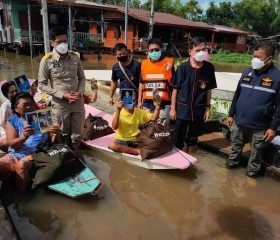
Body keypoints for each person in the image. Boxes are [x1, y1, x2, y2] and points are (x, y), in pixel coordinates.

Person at [226, 43, 280, 178]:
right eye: (253, 56)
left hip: (260, 127)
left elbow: (279, 107)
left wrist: (273, 128)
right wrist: (231, 114)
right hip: (239, 122)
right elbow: (237, 94)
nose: (254, 60)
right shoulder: (246, 72)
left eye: (258, 57)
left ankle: (251, 178)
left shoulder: (277, 78)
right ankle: (229, 174)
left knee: (255, 157)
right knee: (234, 151)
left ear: (269, 59)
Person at [38, 26, 85, 150]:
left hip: (78, 102)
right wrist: (63, 96)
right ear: (52, 43)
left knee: (78, 134)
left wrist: (80, 93)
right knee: (62, 133)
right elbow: (41, 84)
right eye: (59, 42)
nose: (63, 44)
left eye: (65, 41)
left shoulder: (75, 57)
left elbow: (82, 78)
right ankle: (64, 156)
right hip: (60, 104)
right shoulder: (46, 60)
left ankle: (76, 156)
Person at [0, 92, 59, 191]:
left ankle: (23, 196)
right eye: (25, 105)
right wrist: (24, 137)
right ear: (16, 108)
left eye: (31, 104)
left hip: (38, 154)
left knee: (21, 165)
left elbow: (53, 143)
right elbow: (12, 145)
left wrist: (55, 135)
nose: (29, 107)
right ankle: (12, 183)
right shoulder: (12, 121)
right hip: (16, 153)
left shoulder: (43, 117)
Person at [170, 36, 217, 154]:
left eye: (203, 49)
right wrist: (172, 109)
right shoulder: (183, 68)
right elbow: (175, 89)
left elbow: (208, 90)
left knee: (193, 137)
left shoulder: (209, 68)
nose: (201, 53)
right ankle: (177, 155)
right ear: (190, 52)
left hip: (199, 108)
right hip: (182, 108)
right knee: (178, 136)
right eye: (197, 50)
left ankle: (189, 154)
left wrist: (207, 108)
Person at [138, 38, 174, 118]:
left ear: (161, 49)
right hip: (147, 104)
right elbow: (141, 83)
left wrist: (173, 107)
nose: (154, 52)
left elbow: (174, 85)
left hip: (163, 105)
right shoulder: (144, 64)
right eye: (151, 50)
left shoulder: (169, 63)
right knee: (146, 127)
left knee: (161, 128)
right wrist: (139, 101)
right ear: (148, 51)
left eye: (156, 50)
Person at [0, 81, 19, 151]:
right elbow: (3, 124)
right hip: (9, 133)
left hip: (24, 130)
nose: (15, 93)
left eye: (16, 91)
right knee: (3, 145)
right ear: (7, 94)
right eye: (12, 92)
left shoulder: (23, 102)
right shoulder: (5, 106)